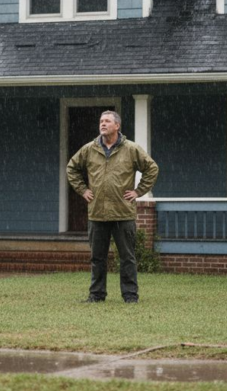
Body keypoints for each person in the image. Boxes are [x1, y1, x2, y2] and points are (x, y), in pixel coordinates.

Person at [67, 110, 159, 304]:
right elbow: (71, 168)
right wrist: (83, 190)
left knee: (127, 257)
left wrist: (138, 191)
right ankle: (96, 295)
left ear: (117, 126)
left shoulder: (131, 149)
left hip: (123, 213)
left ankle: (130, 296)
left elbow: (152, 168)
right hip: (97, 214)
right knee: (97, 258)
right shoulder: (89, 149)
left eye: (107, 121)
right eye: (101, 121)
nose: (103, 124)